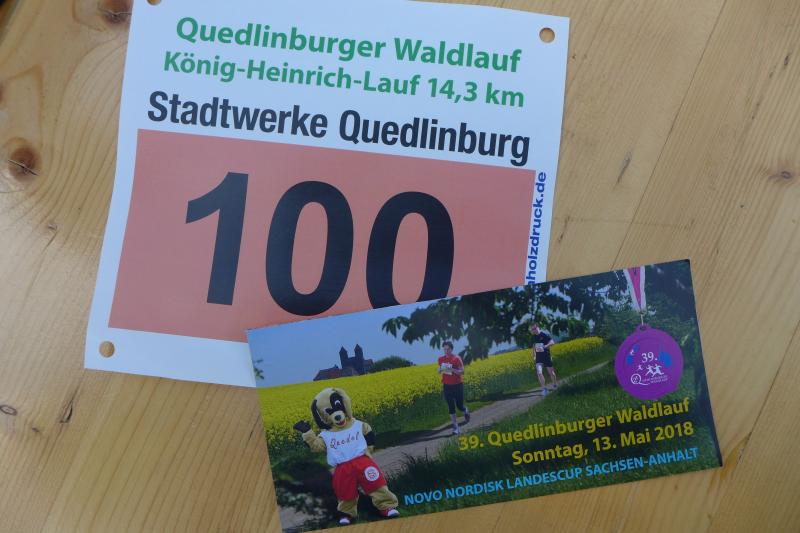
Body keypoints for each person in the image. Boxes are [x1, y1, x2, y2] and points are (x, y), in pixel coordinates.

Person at [437, 341, 470, 435]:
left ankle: (465, 410)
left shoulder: (457, 358)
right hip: (447, 386)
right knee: (451, 406)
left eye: (448, 349)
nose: (446, 351)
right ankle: (455, 427)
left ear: (451, 349)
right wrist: (439, 370)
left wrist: (452, 369)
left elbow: (462, 372)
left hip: (458, 385)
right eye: (445, 349)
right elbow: (440, 369)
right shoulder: (441, 359)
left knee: (459, 406)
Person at [530, 323, 557, 395]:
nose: (534, 330)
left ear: (538, 327)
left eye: (534, 328)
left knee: (551, 373)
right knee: (539, 373)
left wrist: (545, 346)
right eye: (532, 329)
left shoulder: (544, 335)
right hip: (538, 358)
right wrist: (534, 355)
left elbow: (552, 342)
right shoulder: (533, 337)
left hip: (546, 356)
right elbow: (534, 346)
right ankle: (544, 389)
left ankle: (555, 385)